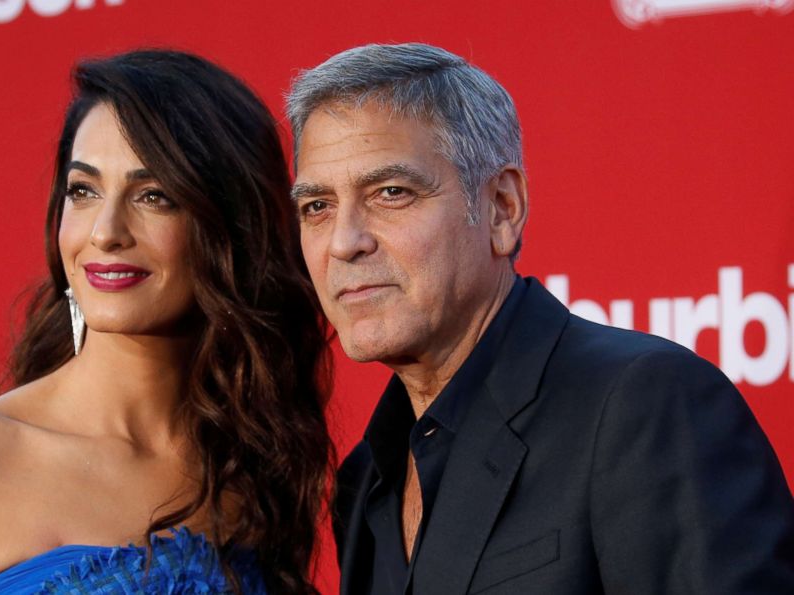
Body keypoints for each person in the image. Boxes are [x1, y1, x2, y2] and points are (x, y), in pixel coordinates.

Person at [286, 42, 794, 594]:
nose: (344, 242)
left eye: (390, 192)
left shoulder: (645, 405)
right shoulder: (366, 478)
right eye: (318, 207)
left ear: (503, 208)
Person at [0, 49, 332, 595]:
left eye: (154, 196)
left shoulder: (253, 464)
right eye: (83, 191)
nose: (106, 232)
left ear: (232, 227)